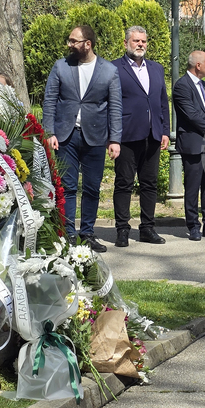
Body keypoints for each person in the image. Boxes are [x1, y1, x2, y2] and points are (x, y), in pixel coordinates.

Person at [43, 25, 122, 251]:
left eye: (73, 41)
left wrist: (115, 139)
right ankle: (68, 234)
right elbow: (49, 101)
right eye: (69, 40)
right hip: (65, 137)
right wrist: (49, 133)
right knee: (67, 187)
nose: (69, 45)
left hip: (96, 136)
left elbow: (115, 107)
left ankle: (87, 233)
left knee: (92, 188)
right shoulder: (61, 66)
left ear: (87, 44)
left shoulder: (108, 70)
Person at [111, 26, 170, 247]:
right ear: (126, 42)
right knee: (124, 183)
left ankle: (147, 228)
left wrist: (165, 130)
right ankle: (122, 229)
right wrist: (112, 137)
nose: (140, 45)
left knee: (149, 184)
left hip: (153, 134)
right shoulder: (114, 68)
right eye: (136, 41)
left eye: (143, 41)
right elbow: (110, 104)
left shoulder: (156, 69)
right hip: (126, 135)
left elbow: (163, 102)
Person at [173, 51, 205, 241]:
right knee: (193, 187)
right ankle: (193, 226)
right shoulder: (182, 86)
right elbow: (192, 115)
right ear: (198, 66)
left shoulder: (204, 85)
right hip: (194, 144)